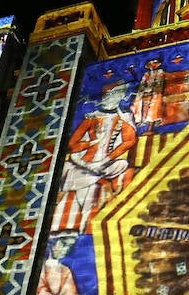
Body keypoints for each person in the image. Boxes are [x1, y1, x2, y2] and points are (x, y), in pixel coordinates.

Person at [53, 75, 139, 234]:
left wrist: (108, 157)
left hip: (107, 164)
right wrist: (90, 145)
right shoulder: (91, 118)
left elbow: (130, 141)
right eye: (110, 94)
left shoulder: (124, 118)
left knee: (121, 165)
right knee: (67, 172)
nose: (113, 98)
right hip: (82, 163)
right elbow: (72, 144)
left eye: (118, 94)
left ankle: (88, 226)